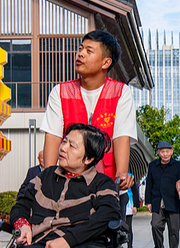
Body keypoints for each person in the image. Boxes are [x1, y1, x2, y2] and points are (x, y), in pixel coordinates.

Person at [41, 30, 136, 191]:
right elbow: (53, 137)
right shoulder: (60, 92)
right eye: (80, 49)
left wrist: (121, 174)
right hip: (68, 185)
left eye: (89, 51)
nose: (80, 54)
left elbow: (121, 137)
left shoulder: (121, 93)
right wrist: (48, 180)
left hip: (106, 183)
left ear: (106, 62)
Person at [145, 141, 180, 248]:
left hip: (173, 202)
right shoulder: (152, 166)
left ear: (171, 152)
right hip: (157, 201)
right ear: (158, 152)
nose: (165, 154)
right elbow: (149, 184)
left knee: (174, 230)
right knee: (155, 225)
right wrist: (148, 201)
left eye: (167, 151)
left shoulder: (178, 166)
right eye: (162, 152)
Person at [124, 172, 140, 248]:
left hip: (128, 205)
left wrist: (135, 206)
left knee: (128, 227)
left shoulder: (130, 176)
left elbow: (135, 191)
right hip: (117, 204)